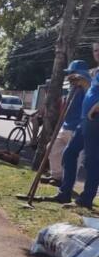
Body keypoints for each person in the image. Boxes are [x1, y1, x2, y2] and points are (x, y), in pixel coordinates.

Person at [47, 70, 99, 210]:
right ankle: (64, 193)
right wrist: (85, 83)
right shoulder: (96, 73)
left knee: (91, 161)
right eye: (95, 50)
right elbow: (93, 91)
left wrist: (94, 108)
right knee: (69, 153)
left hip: (95, 120)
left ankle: (85, 200)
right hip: (85, 121)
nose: (96, 53)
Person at [45, 60, 90, 185]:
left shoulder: (89, 87)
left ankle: (67, 184)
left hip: (78, 128)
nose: (70, 76)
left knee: (72, 157)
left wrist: (84, 84)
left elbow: (90, 97)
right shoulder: (72, 87)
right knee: (52, 148)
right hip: (66, 126)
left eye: (72, 73)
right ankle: (57, 176)